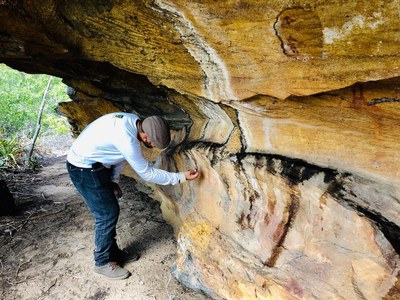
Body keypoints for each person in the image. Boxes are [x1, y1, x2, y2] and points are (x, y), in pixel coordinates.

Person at [66, 112, 199, 280]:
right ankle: (102, 262)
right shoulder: (127, 140)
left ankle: (112, 253)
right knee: (106, 214)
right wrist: (181, 177)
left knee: (109, 210)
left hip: (95, 165)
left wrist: (113, 180)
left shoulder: (132, 121)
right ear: (144, 136)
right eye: (152, 143)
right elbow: (147, 174)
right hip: (83, 168)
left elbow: (119, 156)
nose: (150, 145)